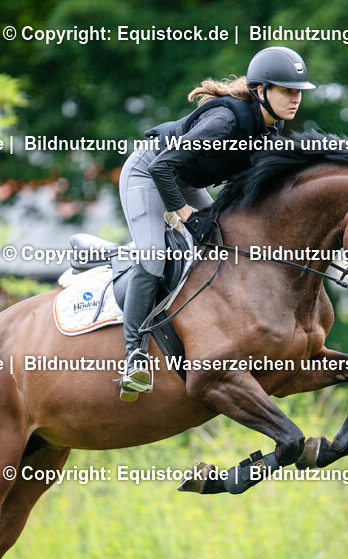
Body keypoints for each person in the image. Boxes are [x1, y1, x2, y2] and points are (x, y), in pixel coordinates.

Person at [116, 46, 316, 400]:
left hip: (186, 181)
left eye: (298, 91)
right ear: (260, 91)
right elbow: (162, 167)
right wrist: (187, 215)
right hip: (147, 173)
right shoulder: (226, 120)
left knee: (222, 241)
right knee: (153, 256)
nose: (295, 98)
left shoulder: (271, 131)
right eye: (286, 90)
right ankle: (134, 355)